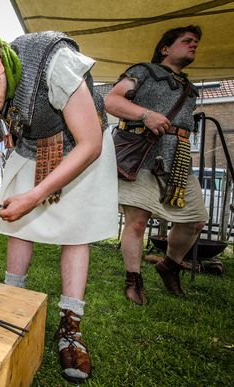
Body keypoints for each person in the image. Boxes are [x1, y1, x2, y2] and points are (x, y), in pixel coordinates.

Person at [0, 32, 118, 384]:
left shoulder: (53, 59)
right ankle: (12, 304)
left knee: (76, 234)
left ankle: (70, 327)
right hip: (29, 148)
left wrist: (35, 196)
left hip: (79, 147)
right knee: (16, 225)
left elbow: (90, 142)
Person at [104, 25, 207, 305]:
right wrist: (146, 114)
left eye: (195, 42)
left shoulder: (189, 87)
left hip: (178, 159)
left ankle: (169, 266)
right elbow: (111, 101)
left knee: (195, 221)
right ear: (165, 48)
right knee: (137, 224)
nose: (193, 45)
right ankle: (133, 281)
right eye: (187, 41)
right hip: (144, 155)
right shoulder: (144, 71)